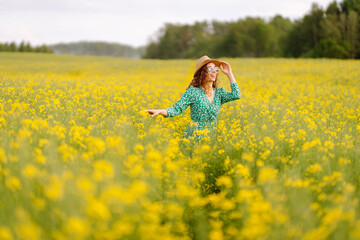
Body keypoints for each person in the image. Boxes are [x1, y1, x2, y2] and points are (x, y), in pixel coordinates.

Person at [147, 55, 241, 153]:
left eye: (216, 69)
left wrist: (229, 73)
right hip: (194, 137)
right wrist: (160, 111)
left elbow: (236, 95)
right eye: (210, 68)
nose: (214, 71)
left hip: (211, 137)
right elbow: (176, 109)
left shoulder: (219, 93)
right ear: (202, 72)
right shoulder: (193, 92)